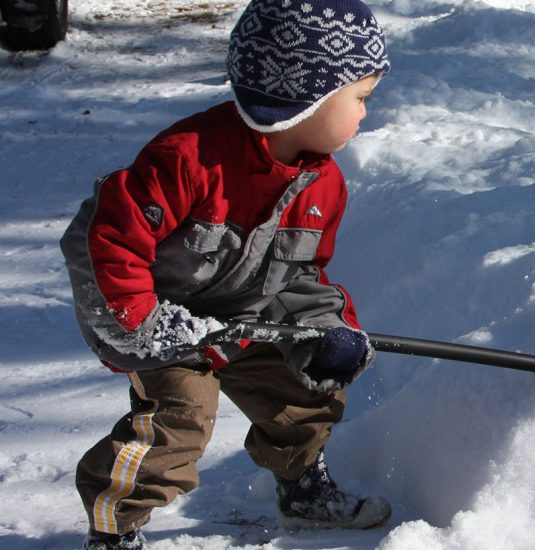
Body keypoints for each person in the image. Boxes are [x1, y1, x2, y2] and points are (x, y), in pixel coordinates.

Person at [60, 1, 392, 548]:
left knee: (303, 392)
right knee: (178, 423)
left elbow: (301, 272)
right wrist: (144, 324)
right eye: (359, 98)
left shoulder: (322, 185)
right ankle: (114, 527)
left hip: (242, 315)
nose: (364, 114)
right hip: (162, 322)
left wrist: (330, 327)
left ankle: (304, 489)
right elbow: (109, 240)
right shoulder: (189, 159)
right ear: (303, 97)